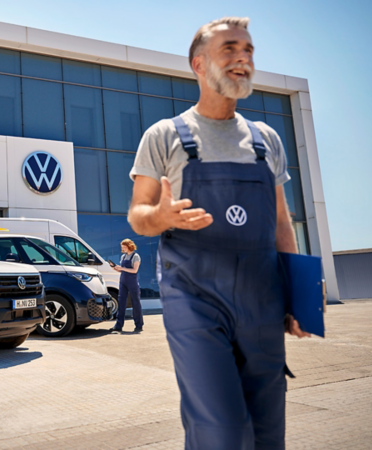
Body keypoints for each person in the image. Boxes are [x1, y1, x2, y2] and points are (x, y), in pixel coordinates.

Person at [127, 17, 310, 449]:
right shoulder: (164, 135)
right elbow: (138, 215)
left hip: (261, 299)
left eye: (248, 51)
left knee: (268, 431)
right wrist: (163, 217)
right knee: (221, 430)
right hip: (194, 297)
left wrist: (299, 295)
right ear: (198, 64)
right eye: (229, 48)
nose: (242, 58)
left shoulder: (266, 140)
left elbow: (282, 223)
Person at [109, 239, 144, 333]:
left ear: (129, 246)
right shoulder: (123, 257)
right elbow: (122, 270)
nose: (123, 249)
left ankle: (139, 325)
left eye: (124, 247)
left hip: (132, 282)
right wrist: (115, 268)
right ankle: (118, 326)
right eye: (122, 247)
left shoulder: (135, 256)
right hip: (123, 281)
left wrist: (122, 268)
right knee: (121, 303)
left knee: (135, 303)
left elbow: (134, 270)